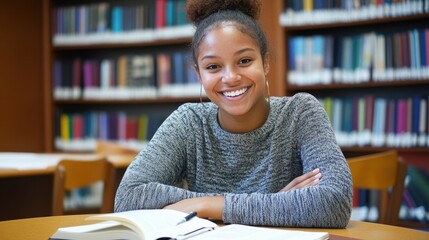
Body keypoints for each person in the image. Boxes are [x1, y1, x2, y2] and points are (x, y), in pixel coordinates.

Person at [115, 0, 352, 228]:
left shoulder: (300, 113)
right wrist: (275, 204)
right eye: (213, 67)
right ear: (199, 74)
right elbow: (127, 198)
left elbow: (335, 203)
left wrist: (204, 205)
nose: (230, 77)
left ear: (265, 63)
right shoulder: (188, 122)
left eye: (244, 60)